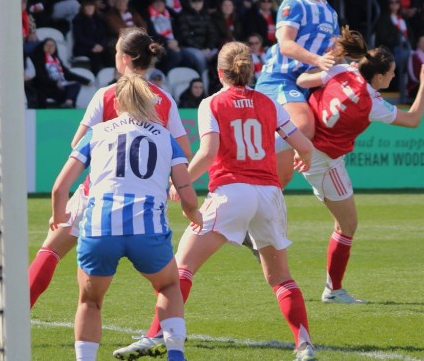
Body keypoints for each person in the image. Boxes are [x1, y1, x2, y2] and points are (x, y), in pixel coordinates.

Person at [0, 28, 191, 349]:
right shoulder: (164, 100)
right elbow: (183, 152)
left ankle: (9, 326)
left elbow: (78, 143)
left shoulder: (106, 95)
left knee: (50, 252)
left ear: (123, 59)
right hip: (144, 201)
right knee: (165, 281)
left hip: (98, 197)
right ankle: (164, 340)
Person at [120, 41, 319, 361]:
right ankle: (304, 344)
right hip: (269, 195)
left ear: (218, 71)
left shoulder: (211, 103)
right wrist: (304, 157)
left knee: (180, 269)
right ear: (250, 70)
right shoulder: (268, 103)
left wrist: (179, 181)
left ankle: (156, 335)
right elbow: (303, 145)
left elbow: (209, 152)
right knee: (281, 277)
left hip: (231, 192)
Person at [49, 73, 200, 361]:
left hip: (100, 227)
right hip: (148, 228)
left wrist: (58, 216)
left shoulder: (98, 132)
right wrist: (193, 214)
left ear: (117, 103)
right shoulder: (166, 138)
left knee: (90, 302)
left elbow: (60, 188)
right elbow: (187, 195)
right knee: (168, 286)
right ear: (150, 103)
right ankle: (176, 355)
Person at [296, 30, 424, 303]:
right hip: (324, 160)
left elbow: (303, 80)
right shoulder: (371, 101)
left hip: (313, 148)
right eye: (390, 73)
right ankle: (333, 291)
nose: (392, 78)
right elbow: (412, 120)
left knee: (344, 224)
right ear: (378, 77)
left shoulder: (342, 70)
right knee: (348, 225)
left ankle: (334, 288)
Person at [254, 0, 348, 187]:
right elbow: (285, 44)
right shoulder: (293, 3)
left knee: (281, 176)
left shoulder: (330, 14)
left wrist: (352, 70)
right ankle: (244, 151)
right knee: (304, 127)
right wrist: (318, 61)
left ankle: (257, 216)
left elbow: (332, 54)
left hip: (302, 85)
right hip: (279, 79)